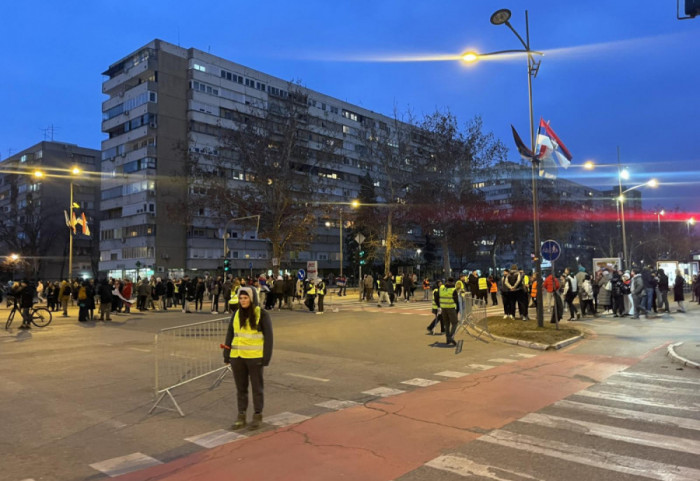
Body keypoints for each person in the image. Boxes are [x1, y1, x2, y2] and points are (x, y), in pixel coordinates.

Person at [222, 287, 273, 430]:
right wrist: (226, 354)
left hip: (255, 357)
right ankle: (241, 416)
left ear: (252, 299)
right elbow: (230, 335)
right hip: (237, 357)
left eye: (245, 298)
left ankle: (257, 415)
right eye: (241, 298)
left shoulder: (261, 314)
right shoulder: (236, 314)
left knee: (257, 388)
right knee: (241, 389)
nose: (243, 301)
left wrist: (266, 357)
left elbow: (269, 337)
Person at [439, 278, 460, 346]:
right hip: (451, 308)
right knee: (455, 322)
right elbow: (456, 300)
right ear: (453, 282)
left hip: (443, 308)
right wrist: (457, 310)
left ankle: (447, 339)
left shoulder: (442, 288)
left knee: (447, 324)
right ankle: (450, 337)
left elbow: (437, 297)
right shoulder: (453, 289)